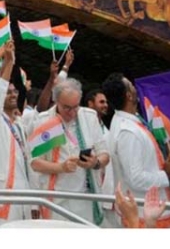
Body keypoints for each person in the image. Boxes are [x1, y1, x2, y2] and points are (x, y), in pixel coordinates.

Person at [102, 73, 170, 228]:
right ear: (129, 95)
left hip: (152, 212)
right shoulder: (128, 132)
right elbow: (136, 178)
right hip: (148, 217)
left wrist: (169, 155)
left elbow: (147, 160)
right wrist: (167, 174)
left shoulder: (131, 122)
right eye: (131, 85)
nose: (135, 88)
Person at [30, 78, 110, 226]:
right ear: (56, 102)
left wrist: (95, 163)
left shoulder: (89, 117)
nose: (72, 112)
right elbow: (35, 163)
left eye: (76, 107)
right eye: (67, 108)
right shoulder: (45, 121)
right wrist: (61, 168)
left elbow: (104, 154)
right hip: (58, 201)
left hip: (87, 197)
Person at [0, 41, 33, 226]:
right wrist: (8, 63)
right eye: (7, 91)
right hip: (2, 196)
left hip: (23, 194)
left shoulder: (19, 124)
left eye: (15, 91)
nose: (13, 94)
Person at [83, 88, 117, 227]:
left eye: (106, 102)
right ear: (90, 104)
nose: (105, 105)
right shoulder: (83, 129)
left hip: (107, 193)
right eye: (101, 102)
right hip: (90, 191)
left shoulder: (107, 129)